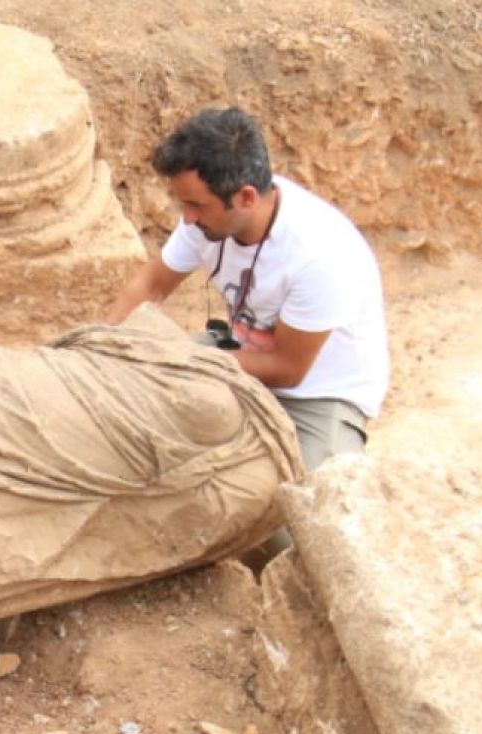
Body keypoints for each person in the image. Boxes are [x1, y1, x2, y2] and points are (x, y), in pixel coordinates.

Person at [104, 107, 389, 473]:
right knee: (128, 404)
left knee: (301, 500)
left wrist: (182, 360)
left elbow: (288, 369)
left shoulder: (319, 255)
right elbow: (152, 285)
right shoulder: (207, 220)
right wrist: (102, 343)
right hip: (240, 353)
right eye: (183, 203)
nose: (187, 217)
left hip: (318, 393)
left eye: (197, 205)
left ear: (246, 198)